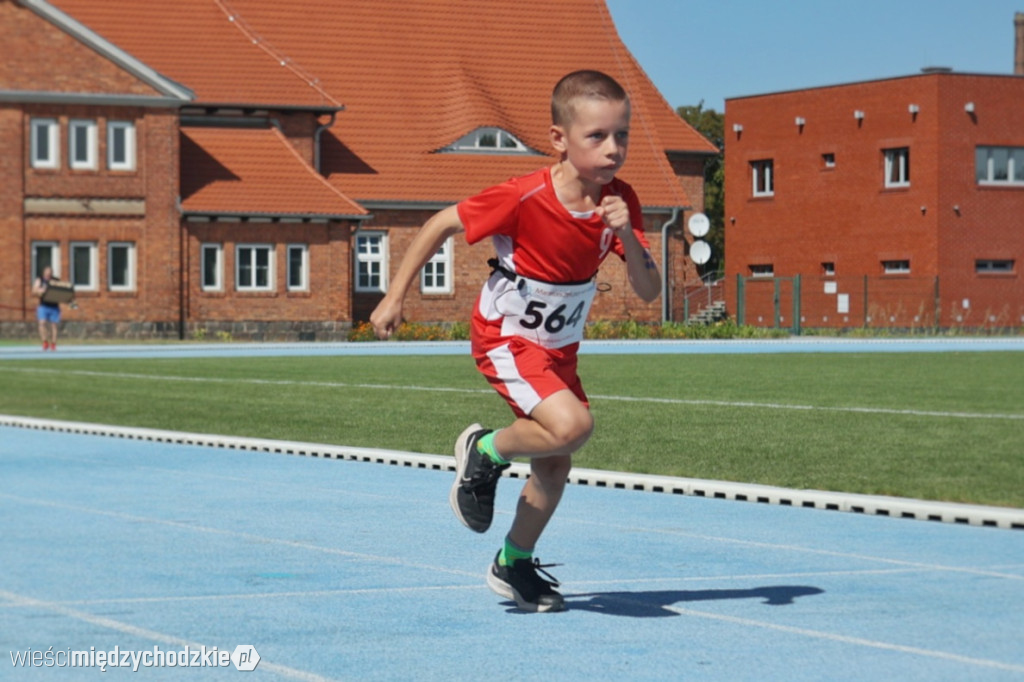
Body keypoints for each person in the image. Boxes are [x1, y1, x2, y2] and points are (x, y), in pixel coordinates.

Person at [370, 70, 660, 612]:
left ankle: (514, 562)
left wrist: (624, 234)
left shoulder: (620, 202)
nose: (613, 148)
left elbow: (648, 291)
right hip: (505, 336)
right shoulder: (525, 196)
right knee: (573, 426)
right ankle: (483, 450)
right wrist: (394, 297)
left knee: (555, 460)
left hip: (558, 350)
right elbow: (439, 224)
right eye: (596, 136)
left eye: (622, 135)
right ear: (560, 140)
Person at [31, 266, 63, 351]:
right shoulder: (40, 280)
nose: (48, 274)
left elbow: (62, 291)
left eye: (50, 272)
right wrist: (40, 291)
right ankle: (45, 341)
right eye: (47, 272)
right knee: (42, 323)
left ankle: (53, 343)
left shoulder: (56, 281)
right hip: (43, 305)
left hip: (54, 306)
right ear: (44, 272)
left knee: (54, 325)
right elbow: (34, 291)